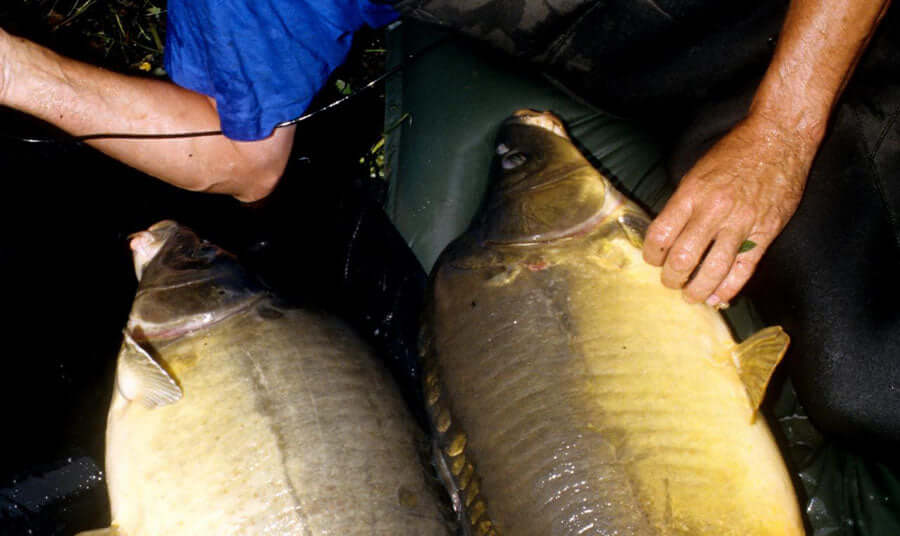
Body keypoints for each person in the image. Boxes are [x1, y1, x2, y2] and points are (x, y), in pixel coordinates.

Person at [0, 0, 897, 446]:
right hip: (713, 100)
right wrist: (15, 72)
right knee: (863, 384)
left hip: (813, 45)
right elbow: (242, 157)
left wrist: (784, 128)